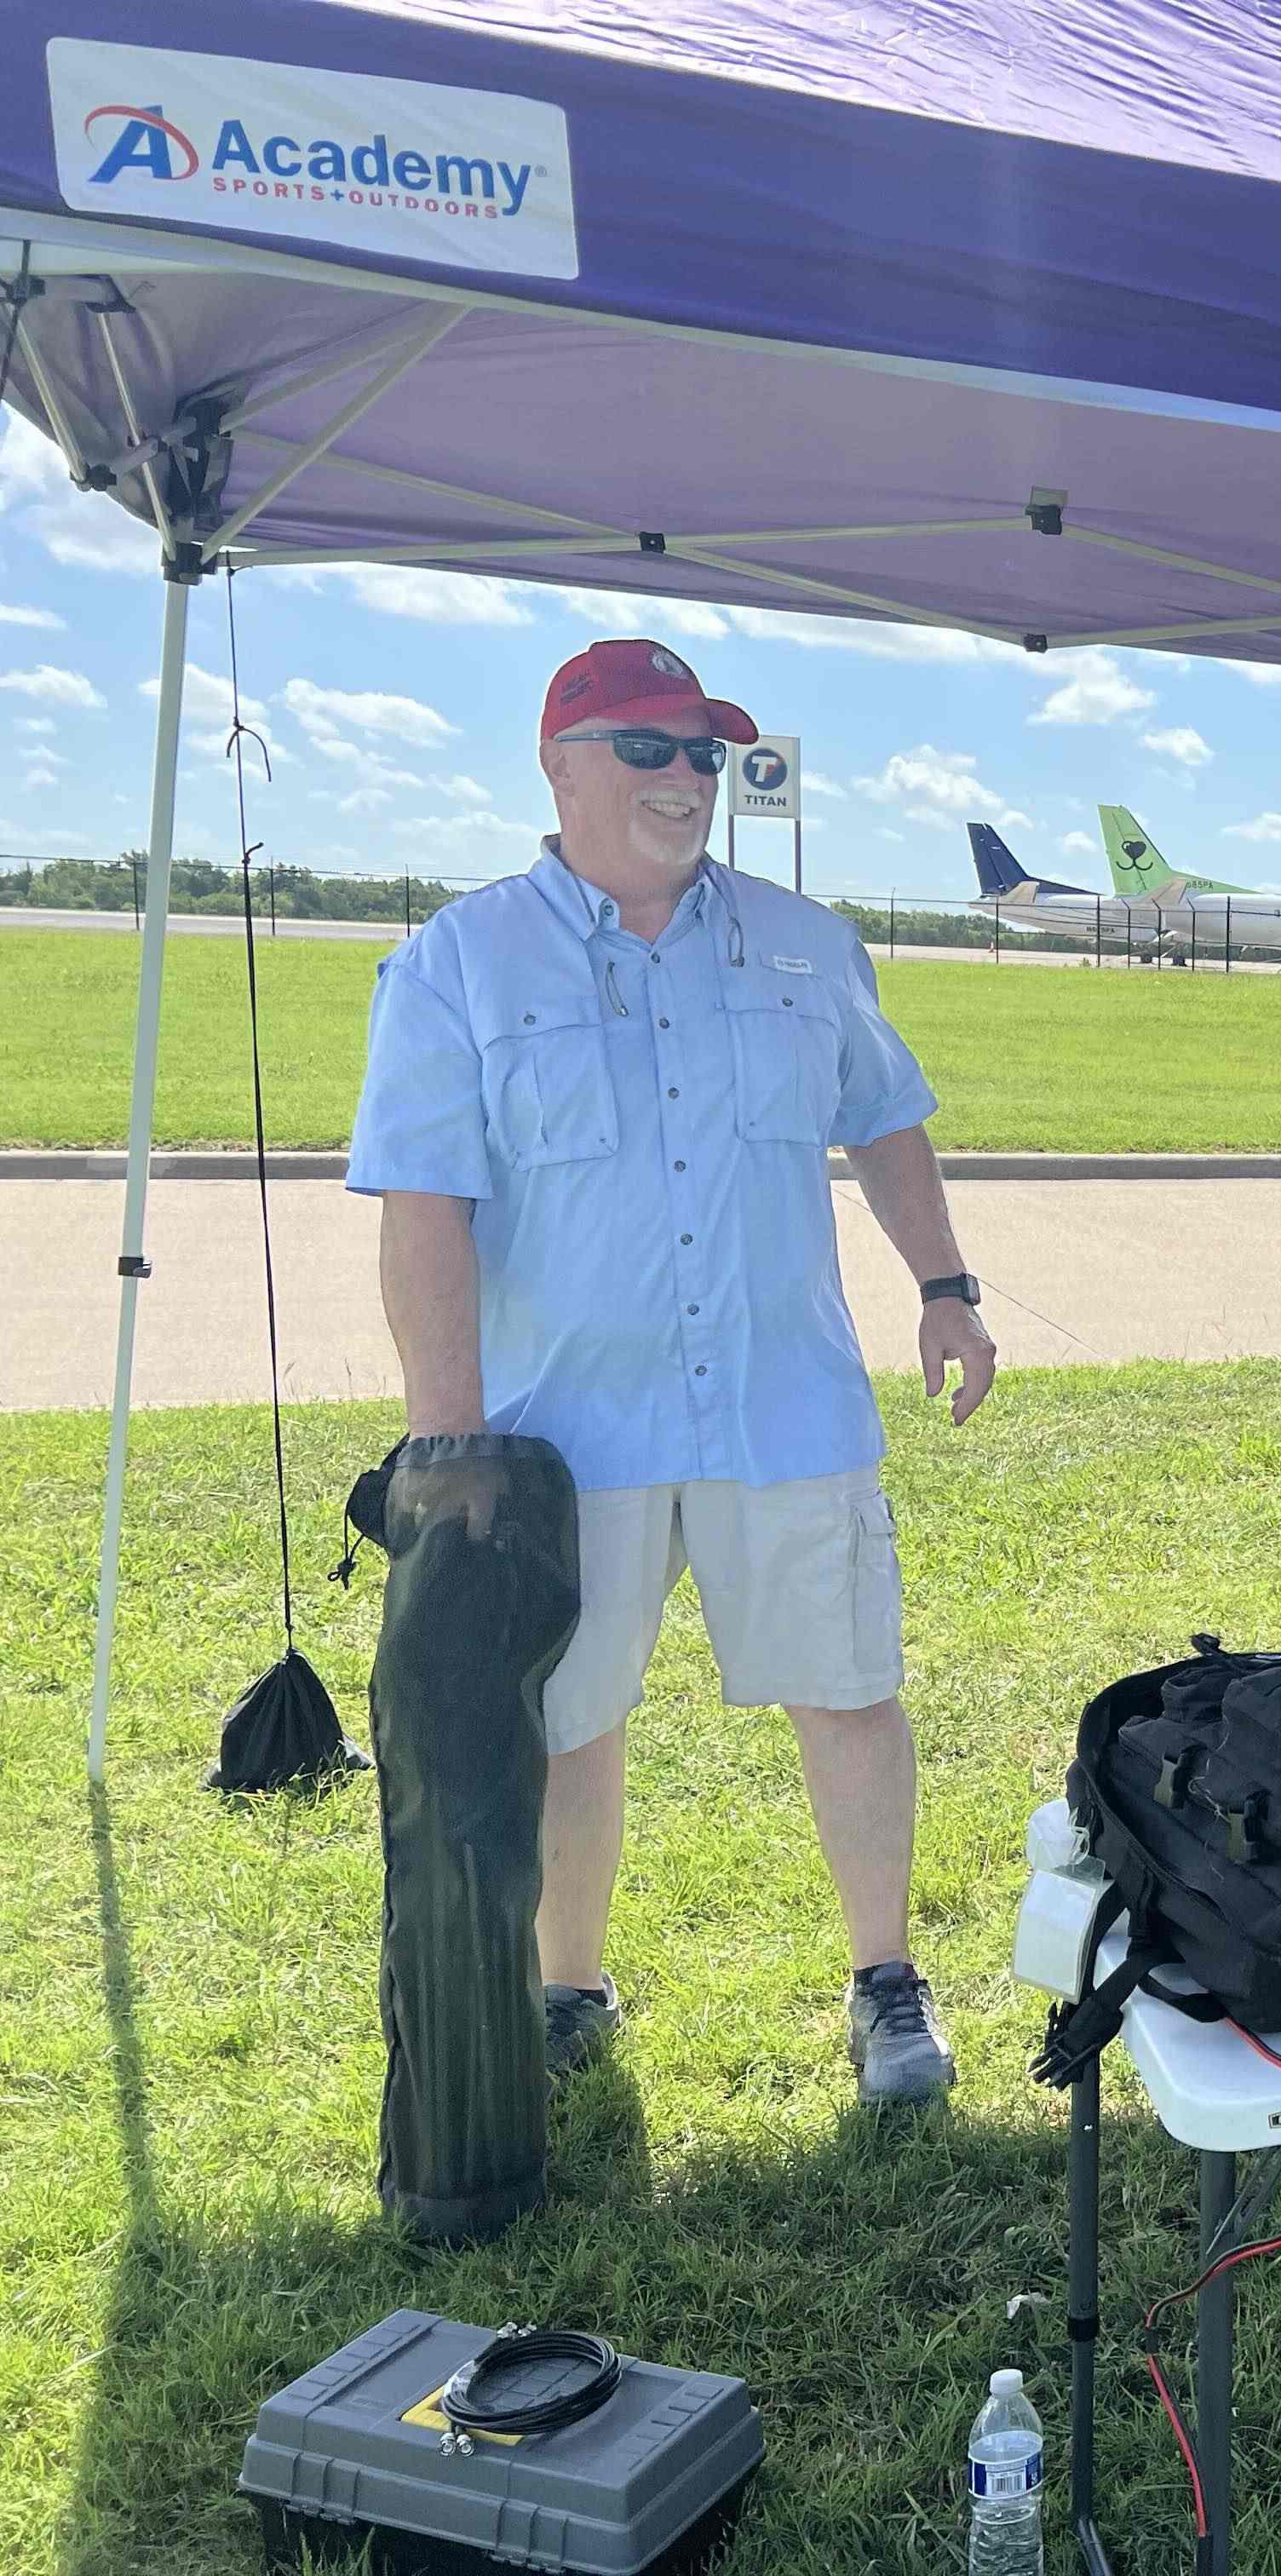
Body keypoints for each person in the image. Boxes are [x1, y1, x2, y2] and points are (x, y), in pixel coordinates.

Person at [345, 638, 1002, 2107]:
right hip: (567, 1430)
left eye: (706, 753)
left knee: (847, 1689)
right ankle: (569, 1991)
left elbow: (884, 1117)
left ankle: (885, 1981)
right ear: (559, 761)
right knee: (568, 1720)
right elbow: (424, 1213)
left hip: (786, 1398)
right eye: (649, 749)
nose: (686, 780)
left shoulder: (806, 943)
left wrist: (945, 1287)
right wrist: (449, 1448)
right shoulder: (458, 962)